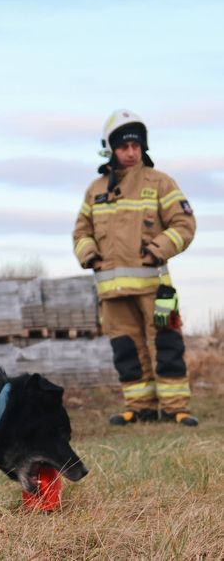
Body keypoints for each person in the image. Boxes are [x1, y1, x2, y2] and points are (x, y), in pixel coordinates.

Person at [72, 110, 198, 426]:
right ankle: (139, 407)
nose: (131, 152)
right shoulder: (96, 189)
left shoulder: (160, 182)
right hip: (112, 291)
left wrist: (157, 251)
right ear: (110, 149)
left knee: (167, 345)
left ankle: (175, 409)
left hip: (155, 288)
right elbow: (80, 232)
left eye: (137, 146)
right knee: (126, 351)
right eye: (124, 146)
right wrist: (90, 256)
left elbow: (184, 223)